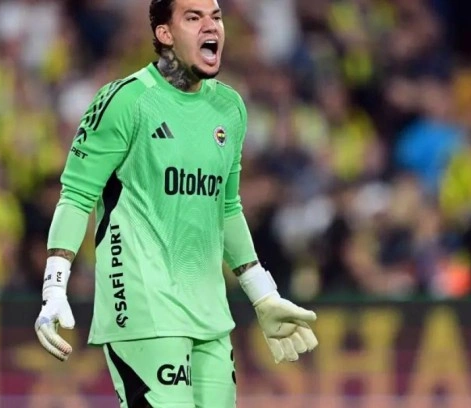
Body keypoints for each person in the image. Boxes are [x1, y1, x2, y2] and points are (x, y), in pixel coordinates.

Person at [33, 1, 319, 407]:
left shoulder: (230, 108)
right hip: (142, 308)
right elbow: (77, 195)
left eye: (216, 17)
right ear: (164, 33)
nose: (211, 26)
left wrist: (263, 293)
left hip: (209, 313)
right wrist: (54, 285)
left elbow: (226, 207)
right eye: (194, 17)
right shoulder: (125, 101)